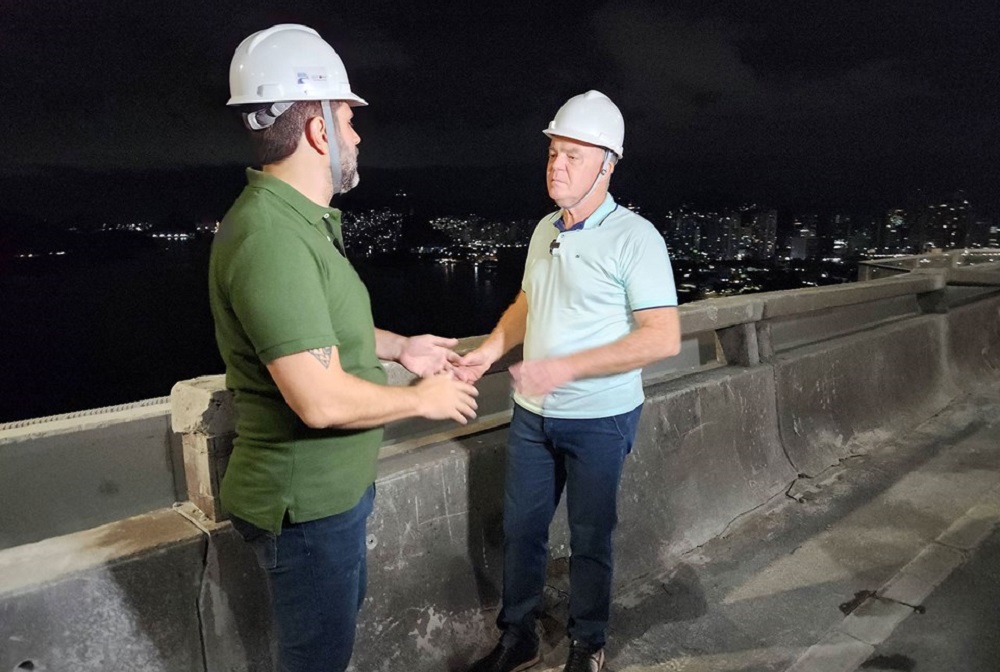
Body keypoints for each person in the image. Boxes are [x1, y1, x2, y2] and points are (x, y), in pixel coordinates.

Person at [209, 24, 479, 672]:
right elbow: (321, 400)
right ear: (318, 130)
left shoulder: (296, 224)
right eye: (350, 121)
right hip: (306, 508)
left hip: (331, 499)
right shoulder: (272, 238)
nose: (358, 137)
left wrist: (402, 346)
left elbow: (319, 330)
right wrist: (423, 399)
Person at [456, 91, 681, 672]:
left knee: (590, 537)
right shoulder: (543, 230)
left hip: (601, 415)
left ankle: (588, 642)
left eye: (573, 156)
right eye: (554, 153)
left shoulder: (636, 238)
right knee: (522, 530)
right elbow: (529, 302)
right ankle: (519, 636)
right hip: (533, 413)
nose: (557, 166)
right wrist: (488, 352)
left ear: (607, 165)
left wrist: (566, 367)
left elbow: (661, 337)